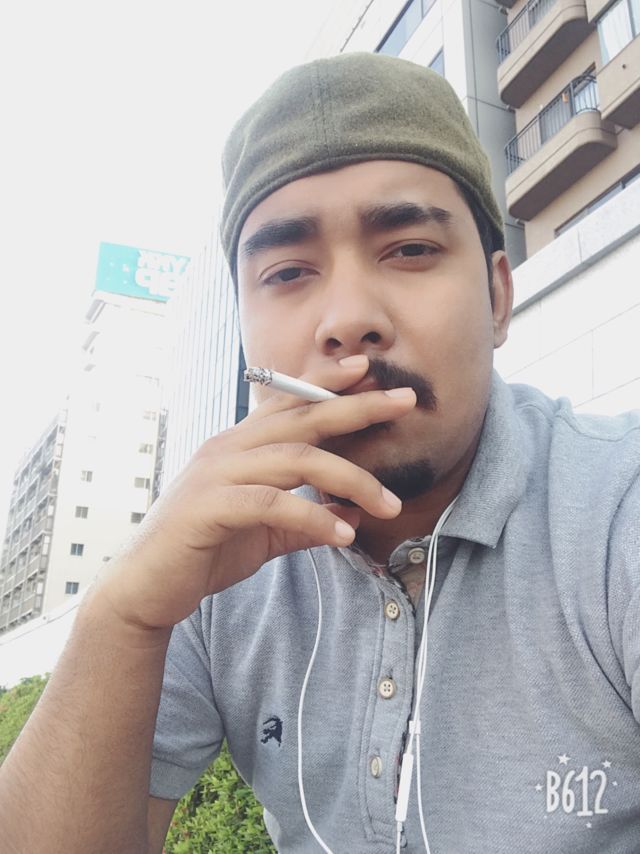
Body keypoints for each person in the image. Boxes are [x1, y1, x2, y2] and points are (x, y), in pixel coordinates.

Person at [1, 51, 639, 854]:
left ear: (498, 297)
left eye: (409, 249)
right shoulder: (215, 558)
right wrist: (122, 615)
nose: (346, 320)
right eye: (288, 272)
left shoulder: (616, 512)